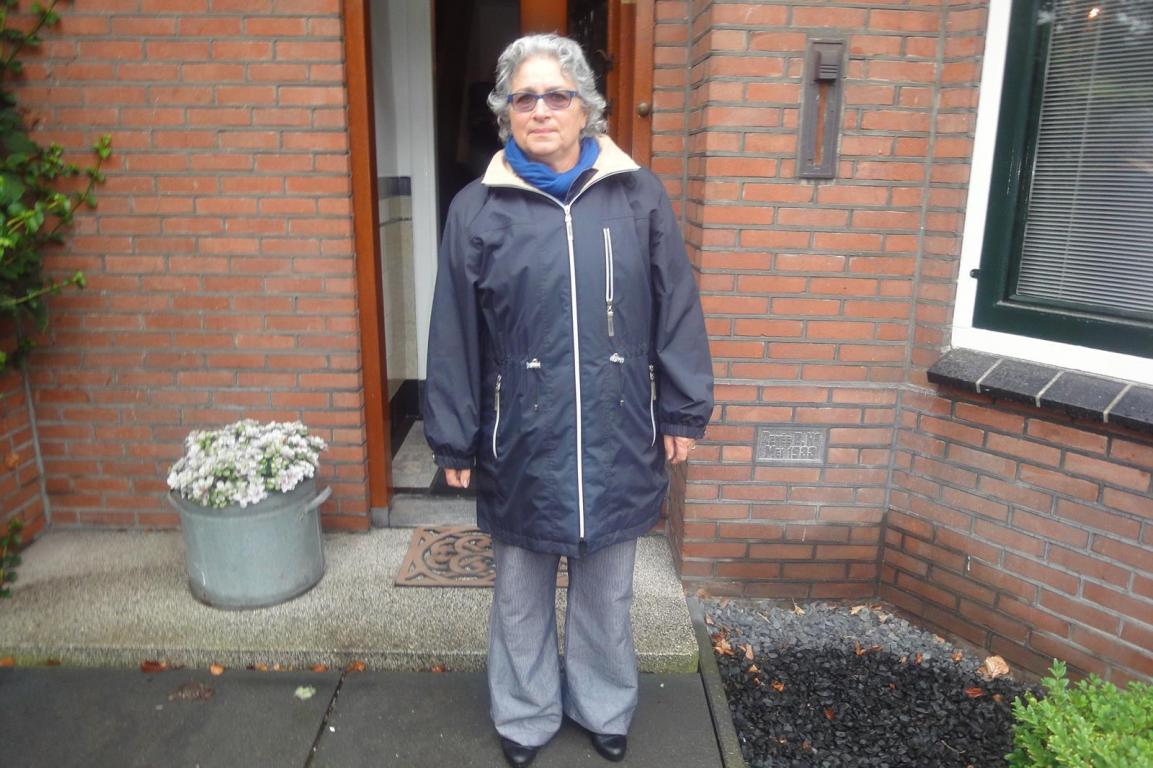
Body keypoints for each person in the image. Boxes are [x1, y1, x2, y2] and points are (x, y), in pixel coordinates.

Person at [423, 33, 713, 767]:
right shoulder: (477, 209)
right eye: (525, 98)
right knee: (519, 592)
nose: (541, 110)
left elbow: (675, 305)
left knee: (607, 590)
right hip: (520, 431)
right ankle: (524, 714)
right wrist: (453, 435)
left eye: (557, 95)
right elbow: (453, 329)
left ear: (586, 108)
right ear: (505, 113)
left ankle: (602, 704)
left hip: (617, 425)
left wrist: (682, 409)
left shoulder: (638, 195)